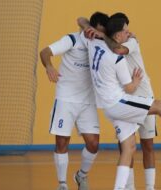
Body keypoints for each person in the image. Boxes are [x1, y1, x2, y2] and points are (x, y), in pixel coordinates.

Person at [80, 16, 161, 190]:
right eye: (125, 30)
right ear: (116, 35)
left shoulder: (105, 43)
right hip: (124, 102)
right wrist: (134, 81)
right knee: (160, 106)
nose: (130, 32)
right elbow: (129, 85)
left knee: (131, 147)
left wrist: (95, 32)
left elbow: (82, 21)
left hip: (118, 104)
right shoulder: (113, 55)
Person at [39, 12, 109, 190]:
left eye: (102, 33)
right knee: (62, 143)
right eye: (96, 31)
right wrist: (49, 66)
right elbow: (45, 52)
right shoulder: (71, 39)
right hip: (66, 99)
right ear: (89, 28)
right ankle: (62, 184)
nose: (98, 36)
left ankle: (81, 175)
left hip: (88, 101)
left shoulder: (103, 43)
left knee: (93, 144)